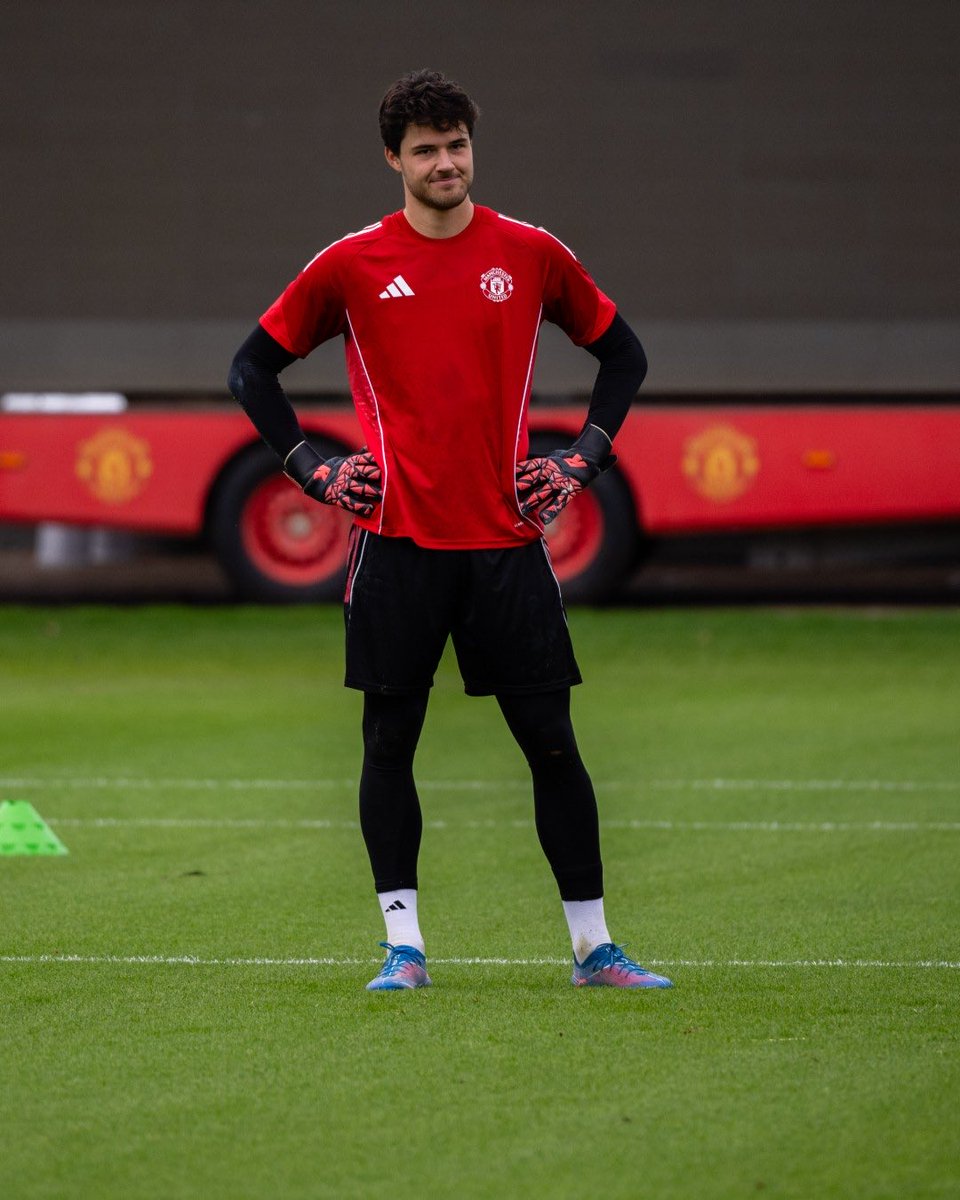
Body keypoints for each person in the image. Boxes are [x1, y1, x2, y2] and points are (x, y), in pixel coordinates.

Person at [228, 69, 672, 992]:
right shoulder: (351, 263)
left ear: (473, 148)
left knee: (553, 743)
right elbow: (251, 370)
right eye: (425, 149)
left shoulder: (532, 252)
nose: (445, 163)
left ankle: (596, 949)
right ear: (393, 159)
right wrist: (311, 468)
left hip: (508, 546)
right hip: (394, 545)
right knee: (388, 744)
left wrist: (582, 457)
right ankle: (405, 948)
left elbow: (623, 354)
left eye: (456, 145)